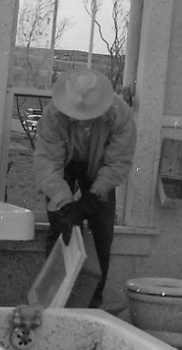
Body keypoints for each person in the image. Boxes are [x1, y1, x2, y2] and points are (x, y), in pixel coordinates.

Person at [34, 67, 137, 308]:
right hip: (64, 165)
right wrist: (65, 203)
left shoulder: (120, 114)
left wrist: (93, 196)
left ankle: (92, 303)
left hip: (101, 169)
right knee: (62, 227)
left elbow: (118, 161)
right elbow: (48, 164)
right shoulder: (52, 116)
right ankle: (53, 301)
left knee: (102, 232)